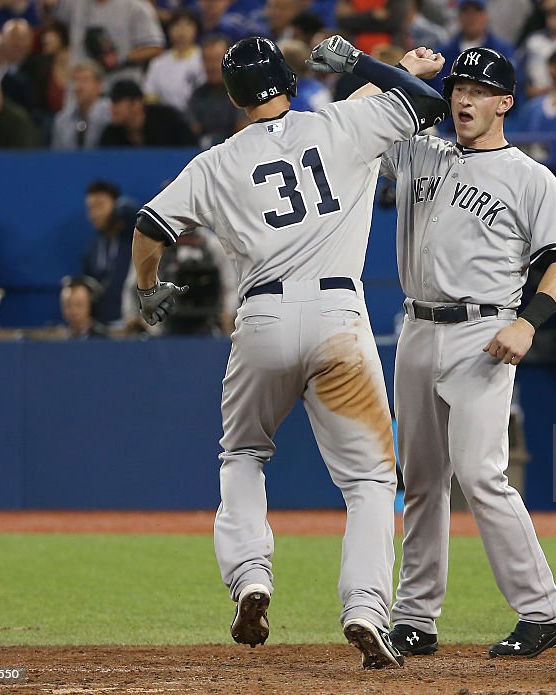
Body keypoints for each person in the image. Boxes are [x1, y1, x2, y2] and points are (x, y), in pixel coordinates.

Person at [129, 35, 446, 669]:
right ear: (291, 83)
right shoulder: (340, 124)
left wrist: (147, 289)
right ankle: (364, 607)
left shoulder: (215, 162)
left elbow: (148, 225)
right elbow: (425, 104)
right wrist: (369, 64)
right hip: (338, 318)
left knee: (243, 453)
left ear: (233, 97)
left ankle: (250, 577)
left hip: (262, 317)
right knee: (368, 482)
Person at [350, 46, 556, 659]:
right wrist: (404, 71)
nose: (463, 100)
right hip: (417, 328)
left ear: (505, 101)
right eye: (456, 90)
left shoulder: (530, 176)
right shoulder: (421, 150)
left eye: (478, 91)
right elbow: (359, 122)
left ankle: (544, 610)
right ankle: (415, 617)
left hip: (485, 330)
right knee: (420, 480)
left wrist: (530, 323)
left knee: (480, 473)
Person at [40, 0, 165, 84]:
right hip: (81, 87)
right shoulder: (75, 4)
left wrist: (121, 58)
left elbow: (155, 47)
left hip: (118, 88)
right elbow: (50, 18)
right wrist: (46, 7)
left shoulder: (135, 6)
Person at [80, 180, 133, 324]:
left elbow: (131, 209)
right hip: (103, 325)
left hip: (134, 321)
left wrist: (118, 212)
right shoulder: (91, 250)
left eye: (100, 206)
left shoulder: (132, 238)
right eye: (90, 208)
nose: (94, 214)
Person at [99, 78, 198, 147]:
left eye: (117, 102)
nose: (112, 109)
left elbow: (191, 149)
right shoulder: (111, 133)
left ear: (137, 104)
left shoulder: (168, 120)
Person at [187, 33, 245, 149]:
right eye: (207, 60)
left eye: (216, 59)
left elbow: (243, 130)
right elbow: (192, 131)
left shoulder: (243, 91)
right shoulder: (198, 95)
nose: (212, 66)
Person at [143, 9, 204, 112]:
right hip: (167, 117)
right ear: (169, 30)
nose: (182, 30)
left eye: (187, 25)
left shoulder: (205, 58)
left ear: (196, 30)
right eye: (176, 25)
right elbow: (149, 93)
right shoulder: (158, 62)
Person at [51, 59, 110, 149]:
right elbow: (56, 154)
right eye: (75, 80)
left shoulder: (110, 113)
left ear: (99, 85)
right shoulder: (62, 119)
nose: (78, 86)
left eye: (85, 80)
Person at [59, 274, 108, 339]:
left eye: (79, 304)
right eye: (68, 305)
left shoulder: (103, 338)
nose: (73, 310)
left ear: (90, 305)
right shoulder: (58, 339)